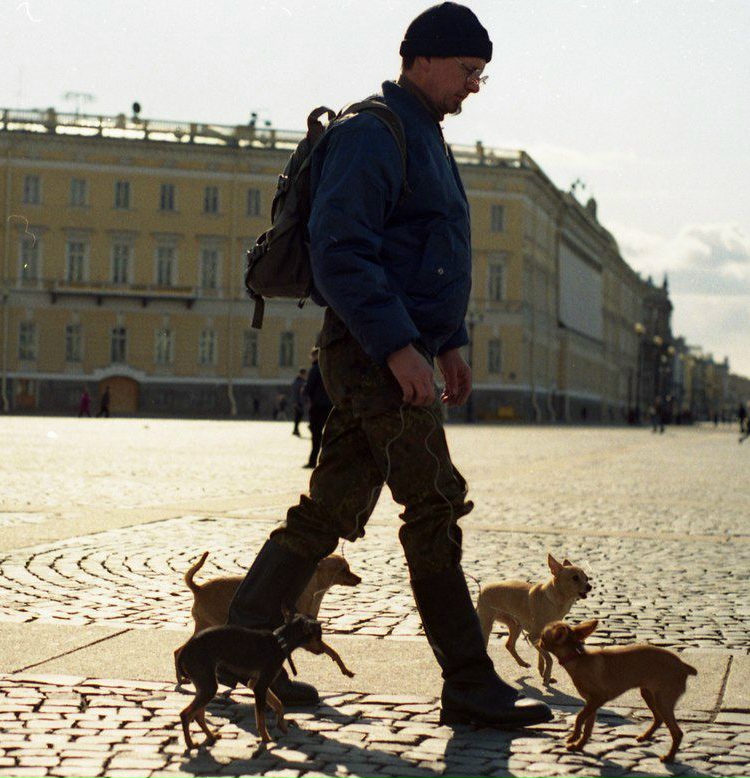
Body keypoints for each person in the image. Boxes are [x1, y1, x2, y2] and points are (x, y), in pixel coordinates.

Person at [224, 3, 550, 729]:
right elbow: (341, 250)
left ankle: (239, 649)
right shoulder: (374, 132)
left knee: (328, 511)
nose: (474, 85)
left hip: (393, 349)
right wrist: (401, 345)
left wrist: (449, 339)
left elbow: (429, 254)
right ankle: (469, 681)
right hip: (375, 354)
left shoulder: (423, 134)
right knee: (433, 504)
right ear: (422, 59)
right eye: (467, 70)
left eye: (481, 73)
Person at [303, 348, 331, 469]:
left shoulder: (315, 369)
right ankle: (328, 460)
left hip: (317, 405)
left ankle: (313, 461)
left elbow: (309, 387)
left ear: (315, 356)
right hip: (330, 405)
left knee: (316, 434)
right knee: (330, 433)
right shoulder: (329, 367)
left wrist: (304, 394)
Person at [290, 368, 308, 436]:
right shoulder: (297, 382)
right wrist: (295, 402)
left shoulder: (302, 381)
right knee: (298, 416)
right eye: (305, 374)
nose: (306, 376)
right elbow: (294, 393)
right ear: (301, 374)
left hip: (300, 402)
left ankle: (295, 430)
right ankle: (295, 430)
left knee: (299, 416)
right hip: (298, 402)